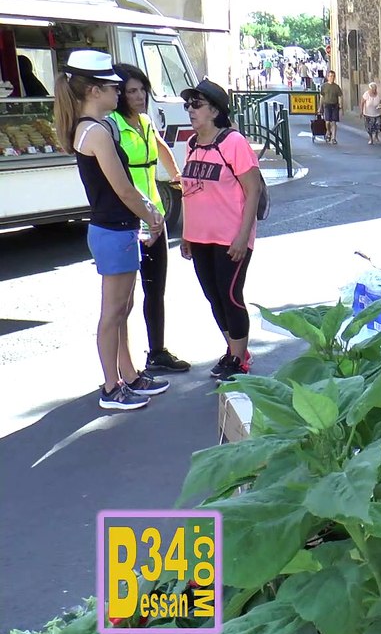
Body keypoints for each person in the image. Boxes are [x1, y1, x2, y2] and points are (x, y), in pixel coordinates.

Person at [55, 50, 168, 410]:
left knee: (122, 308)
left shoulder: (92, 128)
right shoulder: (96, 132)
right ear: (93, 91)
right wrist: (152, 214)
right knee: (113, 312)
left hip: (114, 229)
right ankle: (111, 386)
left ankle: (128, 375)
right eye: (113, 87)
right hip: (114, 229)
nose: (119, 93)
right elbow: (123, 188)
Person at [108, 62, 190, 374]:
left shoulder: (143, 121)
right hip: (130, 220)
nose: (140, 96)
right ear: (119, 94)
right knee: (124, 300)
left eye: (142, 89)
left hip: (156, 215)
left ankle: (157, 352)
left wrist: (179, 178)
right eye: (132, 91)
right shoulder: (112, 126)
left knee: (155, 290)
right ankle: (122, 366)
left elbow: (161, 146)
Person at [178, 79, 262, 382]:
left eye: (196, 105)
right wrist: (187, 233)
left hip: (230, 237)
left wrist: (243, 236)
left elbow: (252, 190)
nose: (190, 110)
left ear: (214, 111)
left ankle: (239, 359)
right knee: (213, 297)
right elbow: (189, 192)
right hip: (200, 237)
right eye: (188, 105)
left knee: (230, 296)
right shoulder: (192, 144)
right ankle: (233, 350)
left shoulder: (233, 143)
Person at [320, 70, 342, 144]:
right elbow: (322, 97)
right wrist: (320, 107)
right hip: (326, 105)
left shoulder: (336, 87)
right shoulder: (324, 86)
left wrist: (341, 105)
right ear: (327, 77)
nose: (332, 78)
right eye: (330, 76)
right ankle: (328, 131)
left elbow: (340, 96)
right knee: (327, 122)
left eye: (333, 76)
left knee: (334, 122)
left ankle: (333, 138)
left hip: (335, 105)